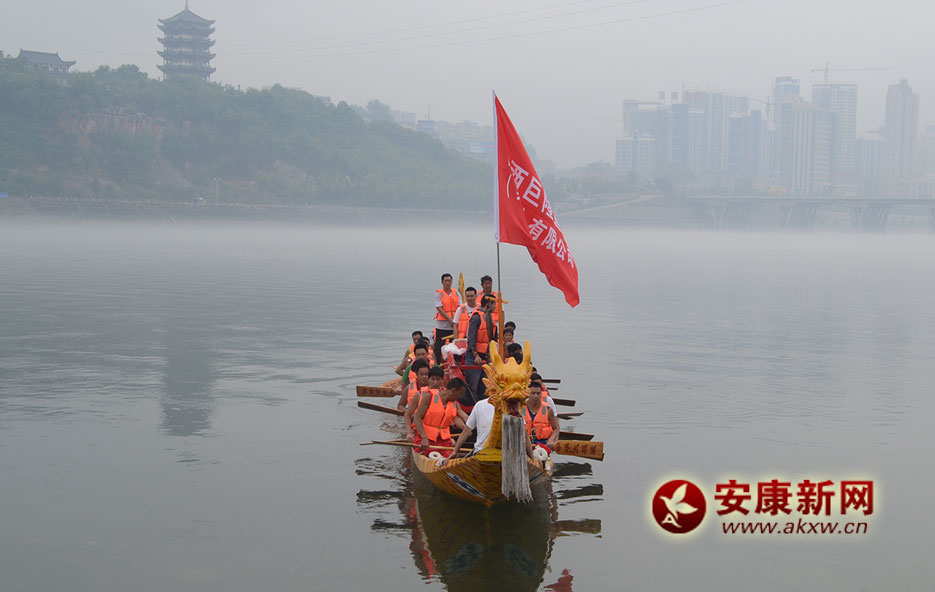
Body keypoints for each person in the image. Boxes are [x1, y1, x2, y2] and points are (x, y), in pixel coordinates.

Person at [412, 377, 468, 457]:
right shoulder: (429, 396)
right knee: (430, 452)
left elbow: (462, 417)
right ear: (453, 391)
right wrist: (424, 437)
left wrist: (467, 428)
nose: (460, 397)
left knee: (451, 456)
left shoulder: (454, 403)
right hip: (426, 438)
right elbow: (417, 418)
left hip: (443, 440)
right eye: (460, 394)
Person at [465, 294, 498, 399]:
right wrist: (475, 355)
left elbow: (493, 339)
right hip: (474, 357)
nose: (495, 307)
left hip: (486, 356)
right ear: (488, 304)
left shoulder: (490, 318)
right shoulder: (476, 318)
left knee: (485, 387)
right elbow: (471, 338)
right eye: (494, 304)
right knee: (473, 385)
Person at [404, 366, 446, 439]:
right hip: (422, 432)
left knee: (453, 442)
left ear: (442, 380)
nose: (435, 382)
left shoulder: (447, 394)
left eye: (438, 379)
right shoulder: (419, 394)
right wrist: (409, 433)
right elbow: (408, 414)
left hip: (441, 432)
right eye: (433, 379)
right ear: (428, 380)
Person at [524, 382, 560, 453]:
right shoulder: (521, 408)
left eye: (538, 393)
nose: (536, 396)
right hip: (525, 445)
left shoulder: (548, 409)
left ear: (541, 394)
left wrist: (551, 440)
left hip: (543, 446)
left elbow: (555, 429)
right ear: (528, 393)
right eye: (533, 393)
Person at [433, 273, 460, 365]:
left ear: (452, 282)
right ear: (442, 282)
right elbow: (440, 309)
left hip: (454, 326)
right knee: (438, 346)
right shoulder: (438, 294)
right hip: (442, 326)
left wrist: (455, 321)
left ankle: (455, 363)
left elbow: (460, 307)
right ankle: (437, 364)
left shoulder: (457, 293)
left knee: (455, 346)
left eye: (449, 281)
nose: (447, 283)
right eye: (446, 281)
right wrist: (450, 320)